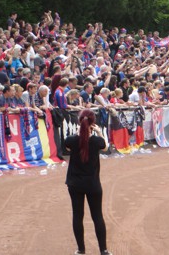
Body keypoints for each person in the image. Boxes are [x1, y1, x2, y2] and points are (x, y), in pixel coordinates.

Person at [65, 109, 111, 255]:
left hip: (75, 183)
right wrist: (98, 131)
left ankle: (81, 250)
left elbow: (67, 147)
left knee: (78, 216)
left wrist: (80, 131)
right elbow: (106, 147)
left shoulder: (71, 140)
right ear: (93, 122)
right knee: (97, 216)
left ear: (79, 122)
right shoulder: (97, 141)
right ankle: (103, 250)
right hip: (92, 184)